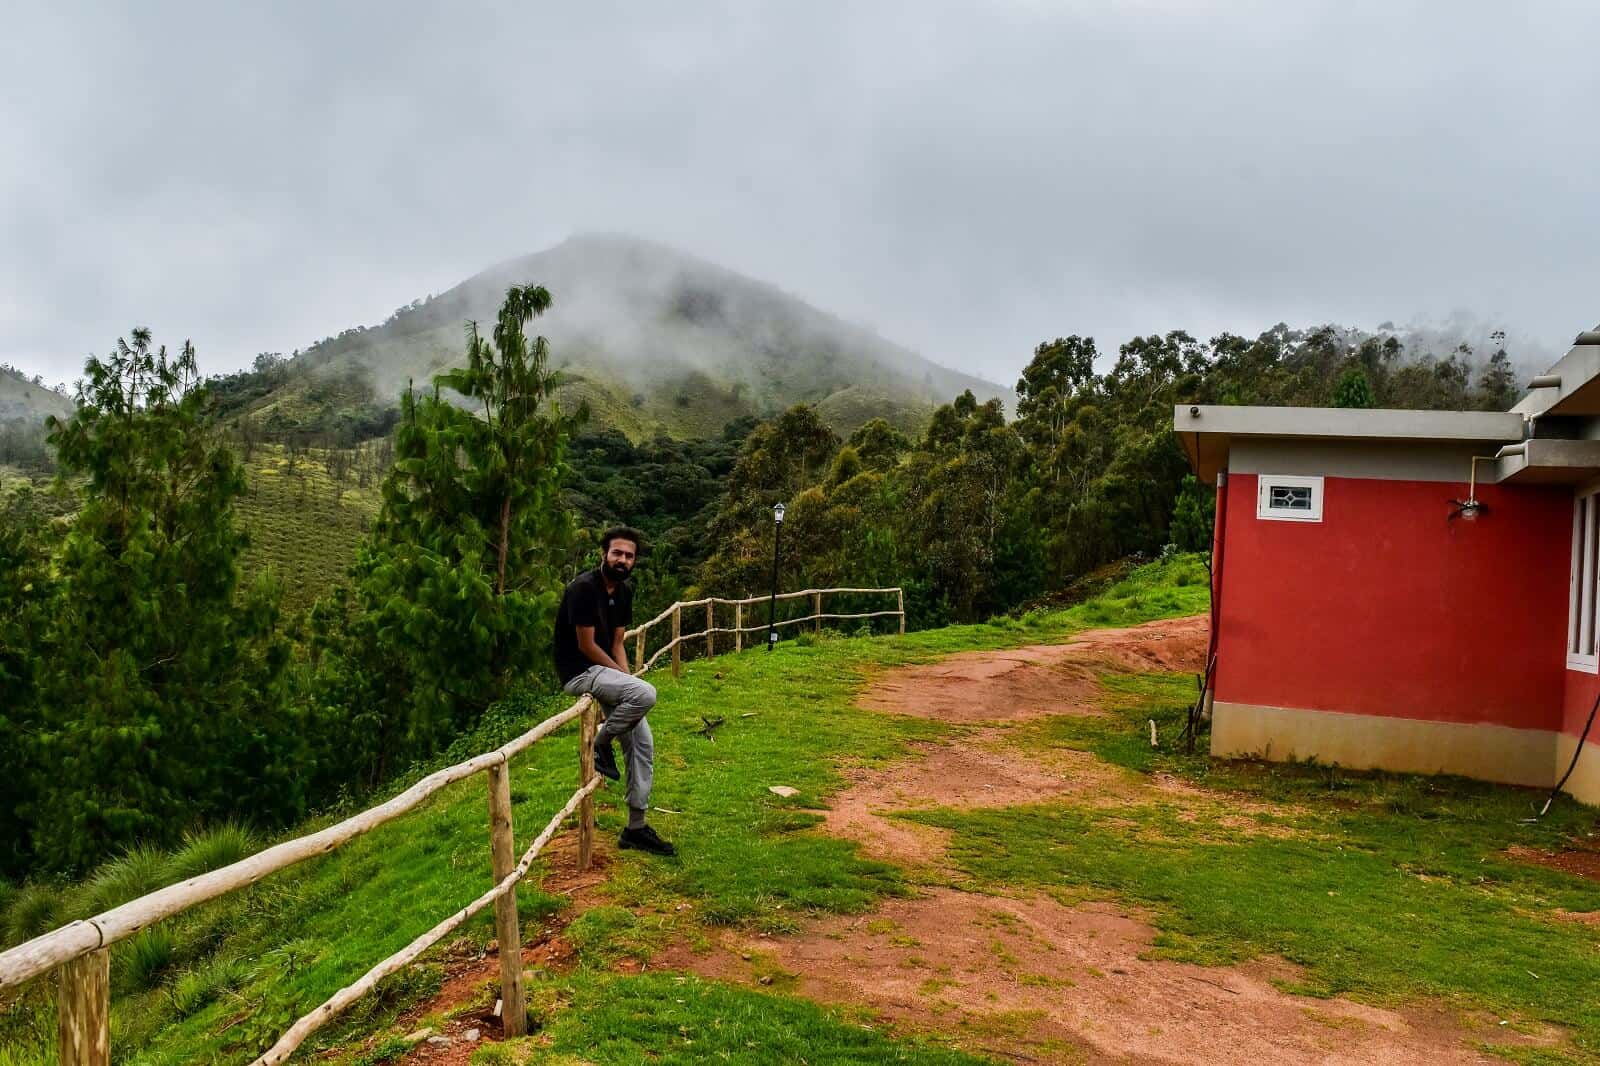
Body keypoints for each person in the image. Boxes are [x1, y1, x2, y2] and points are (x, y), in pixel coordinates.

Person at [552, 526, 676, 856]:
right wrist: (631, 685)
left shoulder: (623, 592)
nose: (622, 560)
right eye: (617, 553)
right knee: (647, 694)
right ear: (604, 554)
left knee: (643, 744)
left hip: (605, 671)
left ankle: (635, 828)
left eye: (629, 556)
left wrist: (626, 680)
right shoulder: (583, 589)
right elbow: (587, 646)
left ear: (634, 561)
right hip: (580, 672)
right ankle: (600, 741)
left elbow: (618, 642)